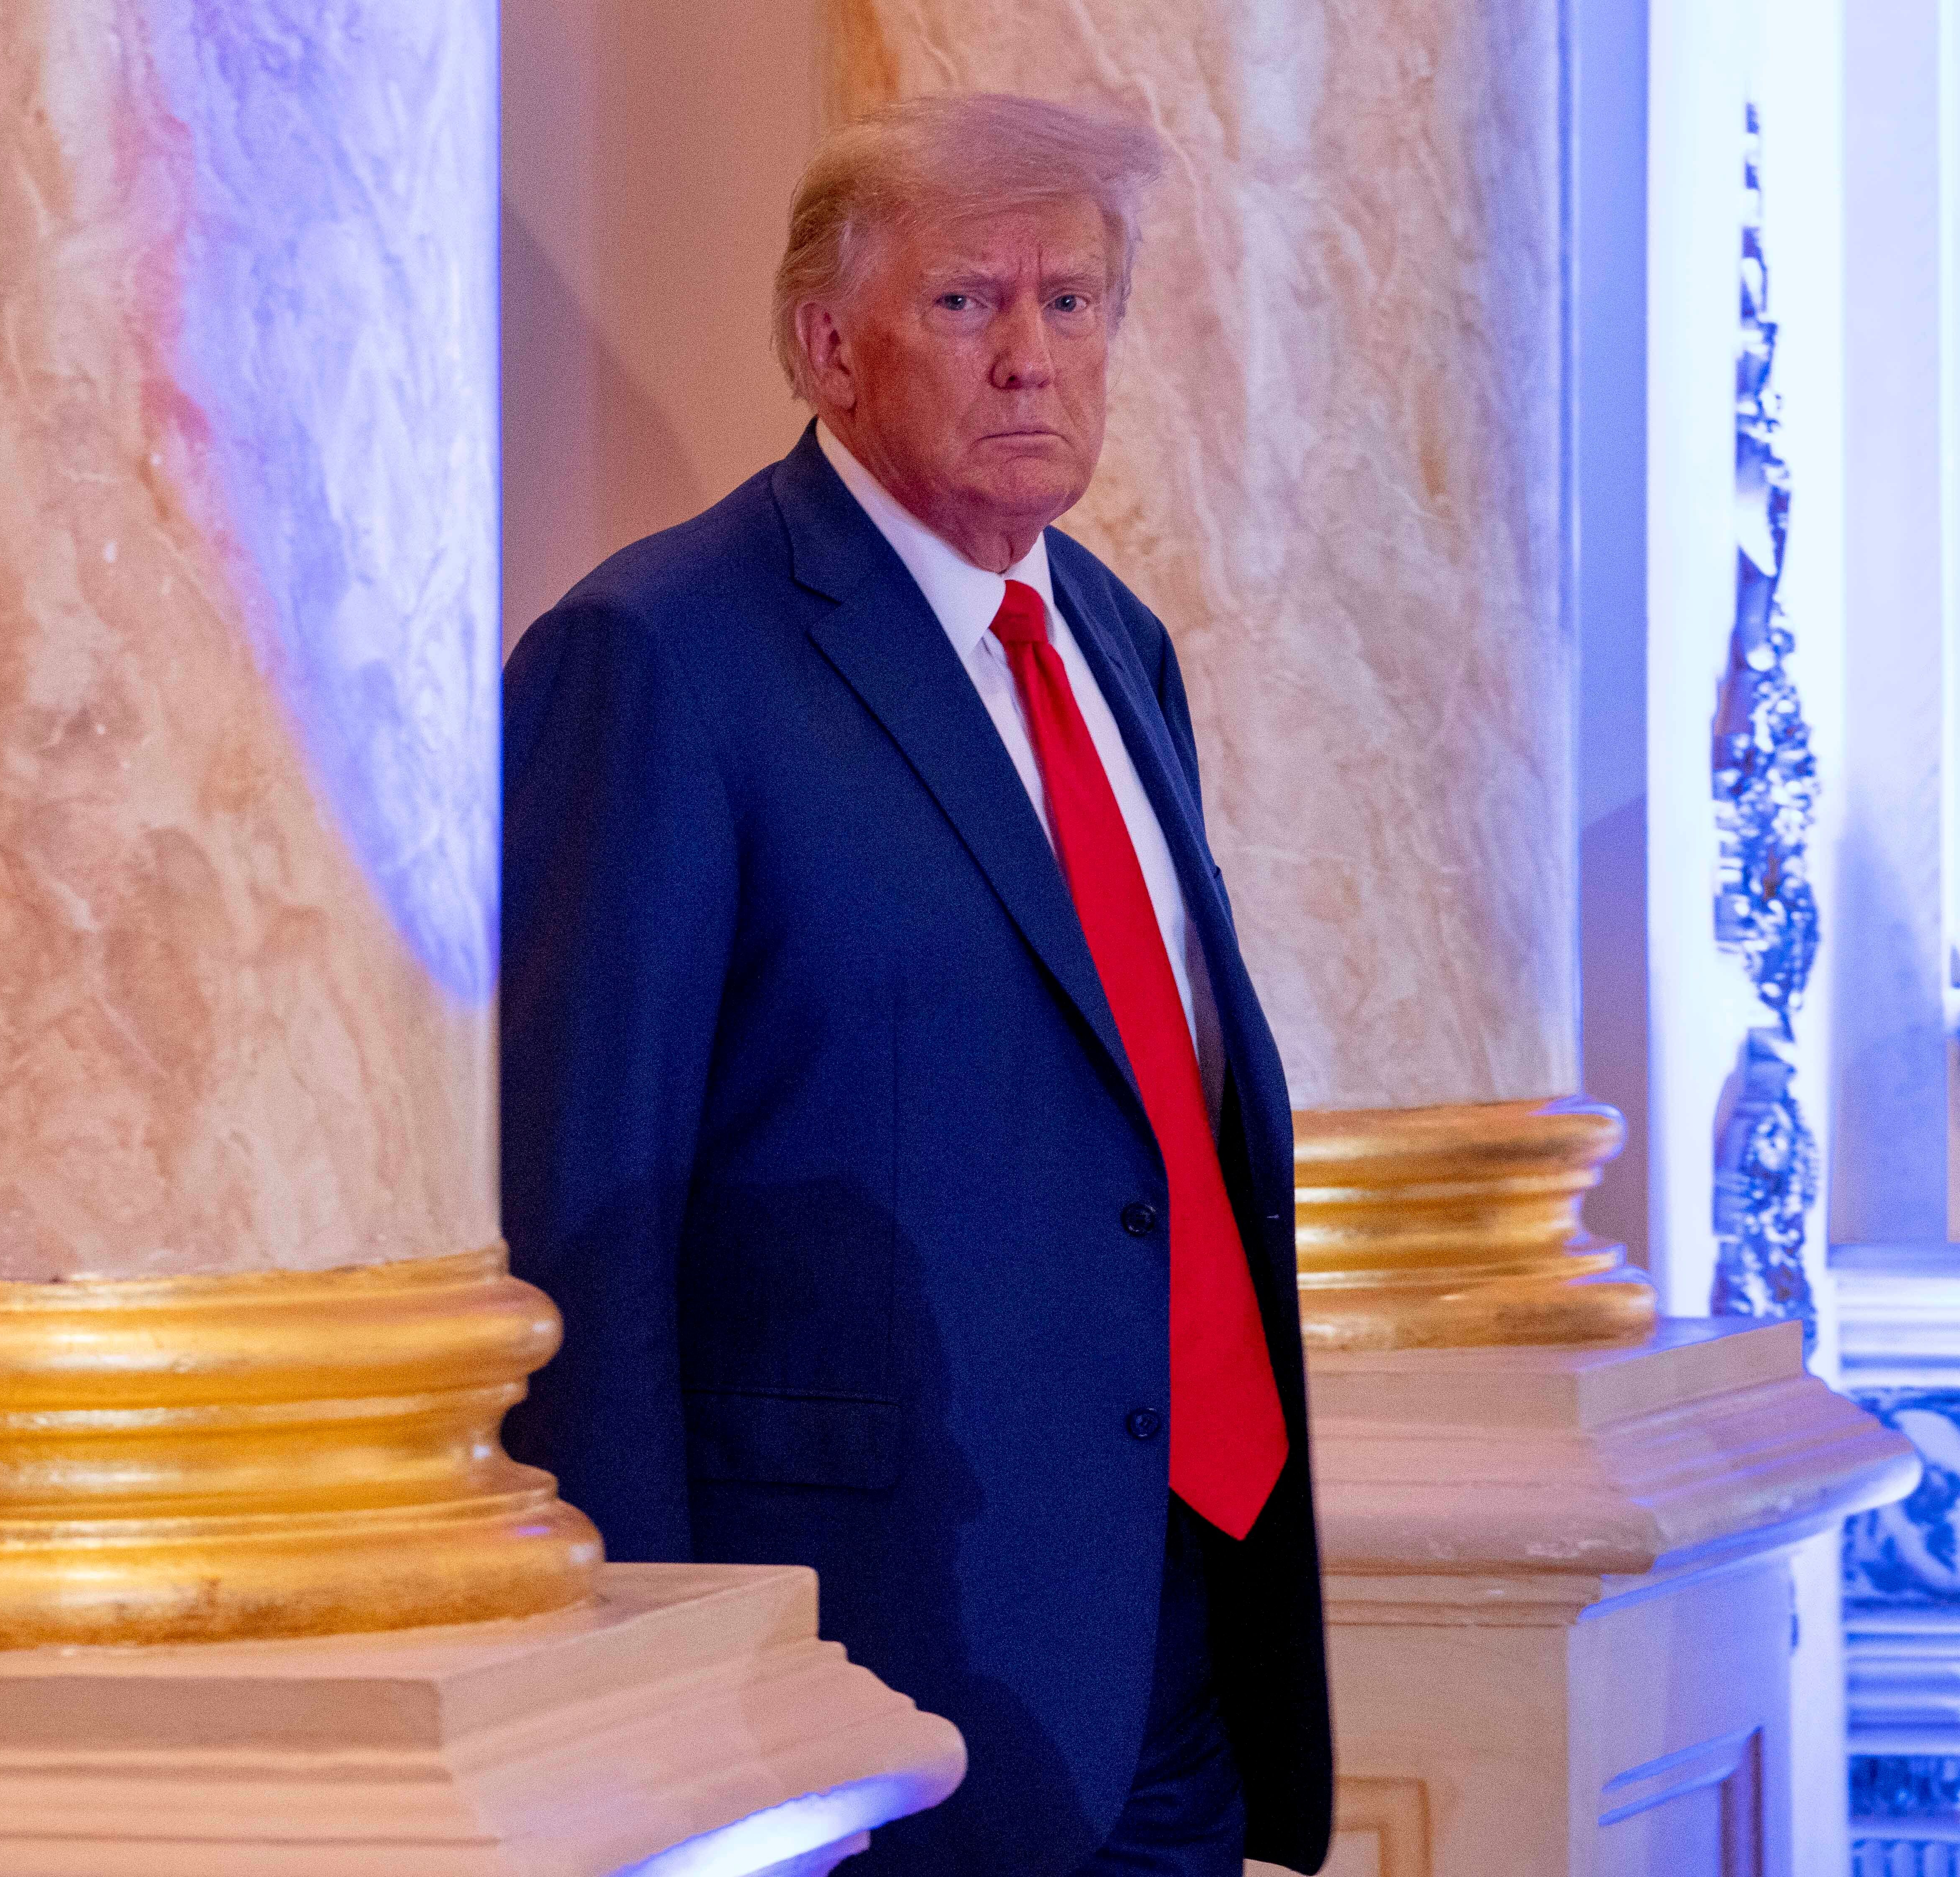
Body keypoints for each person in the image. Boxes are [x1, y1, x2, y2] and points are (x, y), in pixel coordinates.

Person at [500, 93, 1331, 1875]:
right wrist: (648, 1699)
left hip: (1177, 1638)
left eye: (1073, 302)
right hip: (869, 1669)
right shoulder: (658, 656)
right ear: (829, 349)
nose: (1034, 355)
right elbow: (581, 1223)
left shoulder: (1113, 639)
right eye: (968, 303)